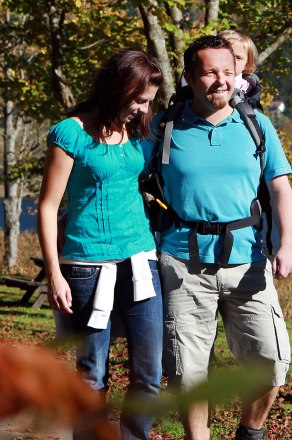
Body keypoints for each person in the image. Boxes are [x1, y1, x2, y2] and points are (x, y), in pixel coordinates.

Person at [148, 35, 292, 440]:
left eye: (228, 72)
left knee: (272, 362)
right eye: (210, 72)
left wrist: (286, 245)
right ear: (189, 76)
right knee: (188, 373)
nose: (221, 81)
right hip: (182, 264)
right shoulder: (165, 127)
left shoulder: (256, 124)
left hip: (249, 263)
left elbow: (280, 188)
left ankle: (249, 432)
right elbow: (127, 176)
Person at [37, 49, 164, 440]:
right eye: (139, 99)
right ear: (116, 88)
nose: (143, 109)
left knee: (150, 374)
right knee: (92, 374)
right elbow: (48, 206)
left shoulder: (136, 132)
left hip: (141, 260)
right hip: (86, 266)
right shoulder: (71, 133)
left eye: (149, 102)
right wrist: (54, 274)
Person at [217, 29, 260, 98]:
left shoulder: (247, 90)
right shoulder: (205, 80)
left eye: (238, 58)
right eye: (226, 55)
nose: (231, 61)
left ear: (247, 64)